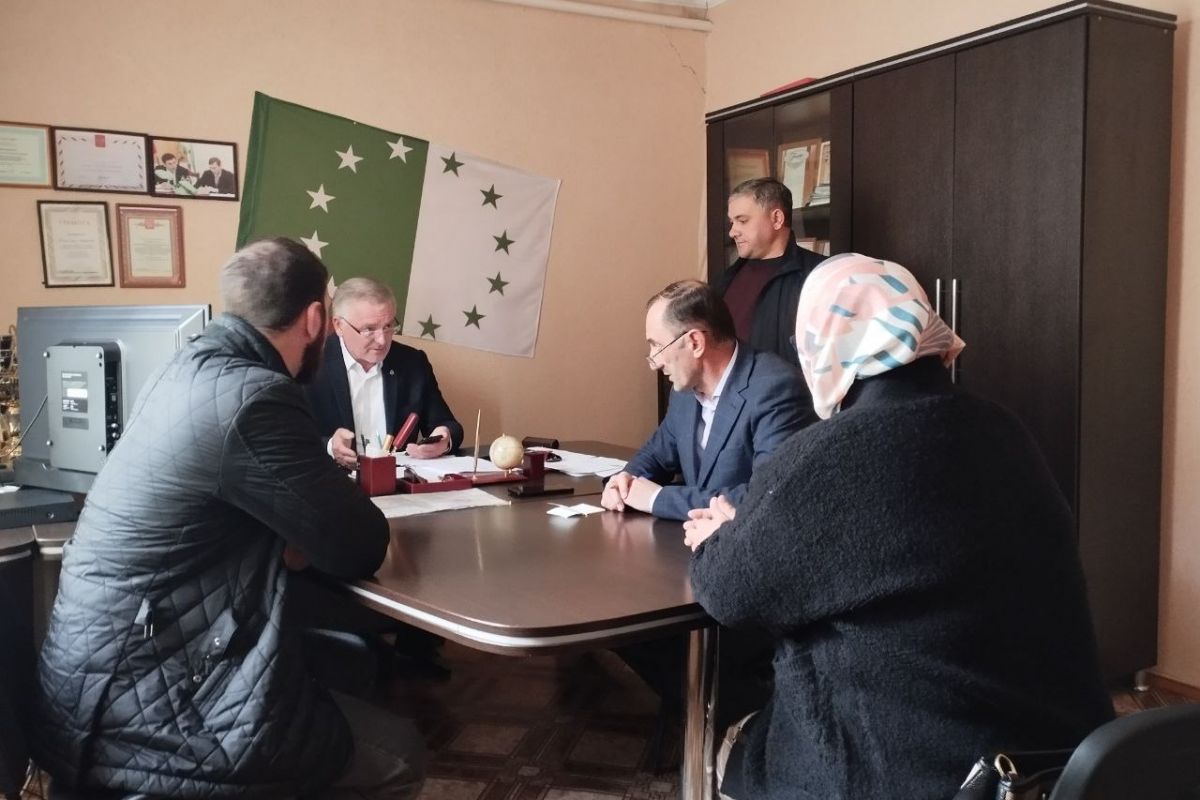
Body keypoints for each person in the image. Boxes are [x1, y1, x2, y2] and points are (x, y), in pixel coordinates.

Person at [686, 253, 1114, 800]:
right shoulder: (1006, 431)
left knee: (739, 739)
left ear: (822, 343)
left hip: (914, 774)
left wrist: (722, 535)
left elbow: (730, 592)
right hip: (1059, 767)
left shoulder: (831, 453)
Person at [31, 238, 425, 799]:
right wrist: (294, 539)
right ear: (317, 318)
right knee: (400, 753)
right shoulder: (256, 397)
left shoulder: (183, 371)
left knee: (345, 662)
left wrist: (290, 537)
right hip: (146, 704)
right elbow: (359, 543)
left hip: (97, 679)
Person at [601, 279, 812, 522]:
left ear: (695, 343)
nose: (654, 362)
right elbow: (657, 455)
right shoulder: (684, 391)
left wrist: (656, 499)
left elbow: (766, 497)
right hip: (691, 538)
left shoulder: (776, 389)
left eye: (657, 346)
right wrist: (624, 482)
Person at [306, 277, 463, 469]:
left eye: (388, 326)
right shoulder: (309, 365)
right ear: (339, 325)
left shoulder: (412, 362)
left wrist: (444, 439)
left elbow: (447, 424)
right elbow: (288, 438)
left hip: (397, 480)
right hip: (331, 479)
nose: (382, 340)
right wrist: (330, 446)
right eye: (369, 329)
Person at [714, 177, 826, 367]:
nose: (732, 232)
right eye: (732, 222)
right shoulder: (726, 279)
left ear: (776, 219)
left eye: (742, 220)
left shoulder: (819, 277)